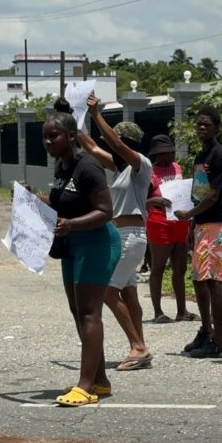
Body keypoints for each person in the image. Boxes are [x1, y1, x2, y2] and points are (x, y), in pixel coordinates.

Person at [42, 112, 120, 406]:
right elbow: (63, 202)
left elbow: (105, 211)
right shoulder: (61, 166)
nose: (47, 142)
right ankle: (99, 380)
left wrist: (72, 225)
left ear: (72, 136)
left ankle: (85, 386)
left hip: (96, 241)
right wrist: (33, 199)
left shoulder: (88, 166)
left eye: (54, 136)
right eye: (45, 137)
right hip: (72, 244)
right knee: (78, 310)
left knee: (89, 312)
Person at [86, 93, 154, 371]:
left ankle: (138, 347)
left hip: (132, 237)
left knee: (108, 293)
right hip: (121, 237)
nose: (114, 147)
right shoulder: (118, 170)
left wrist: (96, 114)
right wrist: (75, 119)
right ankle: (138, 345)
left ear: (129, 145)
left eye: (120, 143)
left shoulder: (141, 166)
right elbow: (91, 147)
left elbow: (111, 142)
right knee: (128, 294)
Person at [175, 105, 222, 358]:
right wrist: (191, 224)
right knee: (198, 280)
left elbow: (213, 195)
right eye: (198, 124)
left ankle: (218, 341)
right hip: (200, 225)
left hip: (215, 224)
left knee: (213, 280)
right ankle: (205, 330)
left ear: (216, 127)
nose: (201, 128)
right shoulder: (200, 156)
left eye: (206, 124)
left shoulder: (219, 155)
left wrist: (190, 214)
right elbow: (197, 192)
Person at [143, 134, 197, 323]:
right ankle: (158, 312)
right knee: (158, 267)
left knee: (179, 268)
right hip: (159, 221)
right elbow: (141, 200)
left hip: (180, 220)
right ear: (158, 154)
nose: (171, 155)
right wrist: (153, 200)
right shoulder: (149, 173)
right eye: (167, 153)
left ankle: (181, 311)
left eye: (172, 151)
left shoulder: (177, 168)